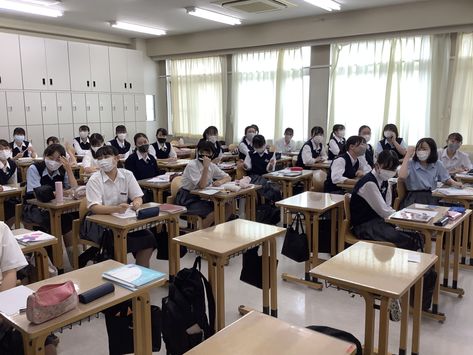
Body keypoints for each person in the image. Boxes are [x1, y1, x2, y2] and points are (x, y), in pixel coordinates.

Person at [350, 150, 436, 314]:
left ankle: (414, 287)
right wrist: (408, 217)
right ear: (377, 165)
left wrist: (403, 220)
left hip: (379, 222)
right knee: (406, 241)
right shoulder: (369, 183)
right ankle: (399, 287)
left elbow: (388, 207)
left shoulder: (385, 181)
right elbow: (384, 211)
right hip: (365, 226)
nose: (390, 171)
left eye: (393, 168)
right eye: (387, 168)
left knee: (417, 237)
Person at [85, 146, 156, 267]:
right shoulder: (94, 179)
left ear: (117, 158)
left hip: (123, 220)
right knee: (115, 242)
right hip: (98, 222)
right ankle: (118, 274)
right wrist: (116, 209)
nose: (103, 160)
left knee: (148, 238)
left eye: (106, 157)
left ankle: (140, 272)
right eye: (100, 158)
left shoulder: (127, 175)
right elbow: (94, 207)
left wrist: (137, 203)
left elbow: (138, 196)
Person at [0, 222, 59, 355]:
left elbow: (9, 272)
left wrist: (2, 309)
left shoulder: (1, 229)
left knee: (45, 344)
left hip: (3, 307)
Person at [23, 144, 78, 266]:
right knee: (51, 222)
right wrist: (61, 192)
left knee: (70, 219)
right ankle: (53, 262)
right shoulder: (35, 168)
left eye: (58, 159)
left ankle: (75, 261)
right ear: (45, 156)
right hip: (33, 207)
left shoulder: (62, 169)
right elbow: (34, 193)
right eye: (51, 158)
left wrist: (69, 169)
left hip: (56, 208)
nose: (54, 162)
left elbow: (74, 188)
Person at [175, 141, 231, 228]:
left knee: (227, 206)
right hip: (187, 199)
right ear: (198, 152)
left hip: (202, 197)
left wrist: (220, 182)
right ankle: (200, 233)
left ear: (212, 154)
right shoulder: (192, 165)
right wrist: (205, 167)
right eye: (202, 152)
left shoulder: (212, 166)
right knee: (214, 210)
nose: (205, 155)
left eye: (208, 152)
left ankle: (217, 229)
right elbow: (202, 185)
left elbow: (228, 177)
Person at [398, 138, 463, 208]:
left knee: (456, 208)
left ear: (432, 151)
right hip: (413, 197)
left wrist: (454, 183)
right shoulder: (410, 163)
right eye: (418, 149)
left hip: (431, 196)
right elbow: (401, 177)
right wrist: (407, 155)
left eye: (424, 149)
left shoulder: (437, 164)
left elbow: (446, 179)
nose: (421, 151)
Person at [125, 133, 164, 202]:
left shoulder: (151, 158)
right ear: (136, 145)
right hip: (140, 191)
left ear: (148, 142)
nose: (143, 144)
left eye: (145, 142)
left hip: (153, 188)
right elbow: (131, 180)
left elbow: (157, 174)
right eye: (140, 143)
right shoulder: (131, 159)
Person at [244, 134, 282, 203]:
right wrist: (244, 165)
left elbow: (270, 170)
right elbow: (248, 167)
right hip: (253, 177)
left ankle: (276, 206)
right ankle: (271, 204)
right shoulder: (250, 154)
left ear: (264, 144)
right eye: (256, 147)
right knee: (266, 186)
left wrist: (271, 165)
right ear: (253, 146)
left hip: (266, 177)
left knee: (275, 189)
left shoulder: (270, 153)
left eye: (260, 146)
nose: (258, 148)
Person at [0, 140, 18, 227]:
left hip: (6, 195)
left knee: (16, 206)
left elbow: (13, 182)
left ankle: (7, 228)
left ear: (10, 150)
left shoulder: (12, 164)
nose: (3, 151)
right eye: (0, 149)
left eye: (6, 148)